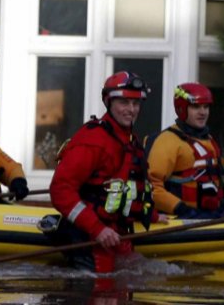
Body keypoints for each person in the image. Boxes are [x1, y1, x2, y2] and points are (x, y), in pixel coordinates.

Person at [49, 71, 159, 273]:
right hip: (87, 234)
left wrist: (150, 215)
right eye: (124, 103)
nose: (131, 110)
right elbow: (60, 190)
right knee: (103, 290)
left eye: (136, 104)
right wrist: (97, 229)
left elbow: (128, 187)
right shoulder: (93, 141)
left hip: (115, 231)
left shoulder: (129, 140)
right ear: (109, 102)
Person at [148, 83, 224, 219]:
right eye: (196, 107)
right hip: (181, 217)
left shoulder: (208, 140)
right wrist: (181, 209)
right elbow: (152, 187)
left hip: (207, 214)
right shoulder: (167, 141)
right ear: (182, 109)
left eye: (206, 107)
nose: (203, 112)